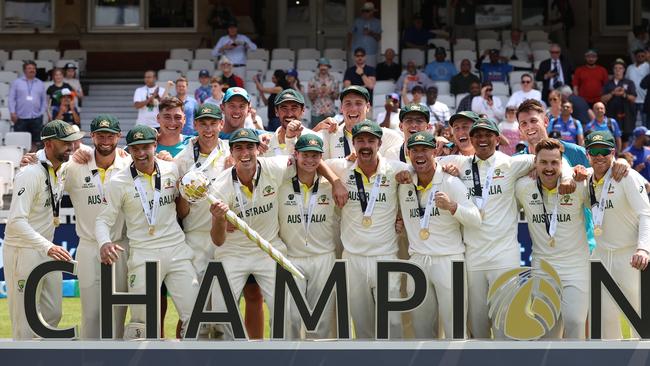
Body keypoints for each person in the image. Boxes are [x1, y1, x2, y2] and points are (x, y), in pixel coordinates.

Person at [96, 124, 199, 339]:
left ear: (155, 145)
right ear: (130, 150)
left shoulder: (172, 169)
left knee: (195, 317)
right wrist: (104, 242)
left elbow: (182, 207)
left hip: (177, 250)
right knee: (140, 326)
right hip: (144, 253)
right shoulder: (118, 182)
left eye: (146, 147)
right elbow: (103, 219)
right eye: (135, 149)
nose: (141, 153)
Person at [439, 118, 539, 339]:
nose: (482, 139)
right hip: (473, 256)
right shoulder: (460, 163)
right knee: (477, 325)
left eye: (487, 135)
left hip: (504, 255)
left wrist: (570, 171)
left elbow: (551, 156)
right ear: (472, 139)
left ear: (497, 139)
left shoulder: (511, 163)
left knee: (507, 324)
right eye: (478, 135)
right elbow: (421, 160)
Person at [207, 129, 294, 339]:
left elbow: (307, 158)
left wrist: (336, 181)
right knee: (220, 313)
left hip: (269, 250)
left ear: (258, 149)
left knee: (288, 313)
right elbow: (218, 241)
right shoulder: (220, 185)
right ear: (232, 153)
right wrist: (219, 219)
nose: (245, 152)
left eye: (249, 147)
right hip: (233, 253)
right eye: (239, 148)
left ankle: (281, 357)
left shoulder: (275, 166)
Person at [325, 121, 408, 339]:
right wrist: (335, 182)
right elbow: (314, 163)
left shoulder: (395, 169)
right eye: (360, 140)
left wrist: (449, 164)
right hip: (353, 259)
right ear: (353, 144)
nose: (365, 145)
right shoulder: (342, 168)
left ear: (379, 144)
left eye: (371, 140)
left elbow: (426, 167)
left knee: (392, 324)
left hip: (386, 257)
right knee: (362, 327)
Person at [399, 131, 480, 339]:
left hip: (449, 261)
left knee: (456, 329)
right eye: (414, 150)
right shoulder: (404, 181)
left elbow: (475, 218)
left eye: (424, 149)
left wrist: (453, 207)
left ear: (434, 151)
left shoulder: (450, 182)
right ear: (408, 153)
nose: (420, 155)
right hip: (417, 261)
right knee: (421, 330)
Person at [4, 120, 81, 339]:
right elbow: (16, 221)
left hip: (47, 248)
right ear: (48, 144)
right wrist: (47, 247)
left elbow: (101, 153)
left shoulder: (63, 166)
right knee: (25, 324)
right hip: (24, 249)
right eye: (65, 142)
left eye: (71, 142)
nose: (71, 147)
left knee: (53, 314)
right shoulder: (30, 174)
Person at [63, 114, 130, 339]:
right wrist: (32, 158)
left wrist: (162, 155)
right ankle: (89, 359)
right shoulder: (75, 165)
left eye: (110, 135)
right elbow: (48, 164)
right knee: (91, 313)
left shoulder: (129, 164)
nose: (105, 140)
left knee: (118, 312)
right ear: (92, 136)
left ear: (118, 136)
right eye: (100, 135)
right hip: (89, 245)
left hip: (119, 245)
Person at [515, 138, 590, 339]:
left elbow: (603, 174)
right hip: (543, 268)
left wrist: (622, 163)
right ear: (535, 164)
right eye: (544, 163)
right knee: (546, 331)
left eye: (554, 163)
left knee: (575, 323)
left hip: (575, 268)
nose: (549, 168)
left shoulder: (578, 184)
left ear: (562, 163)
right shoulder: (523, 186)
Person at [586, 130, 650, 339]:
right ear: (587, 153)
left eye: (604, 151)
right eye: (594, 151)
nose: (599, 156)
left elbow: (645, 213)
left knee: (641, 321)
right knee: (605, 321)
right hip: (601, 256)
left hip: (630, 256)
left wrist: (643, 248)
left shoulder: (626, 175)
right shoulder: (585, 178)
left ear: (613, 152)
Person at [278, 134, 339, 339]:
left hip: (323, 256)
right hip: (291, 257)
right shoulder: (281, 182)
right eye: (305, 155)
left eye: (315, 155)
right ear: (296, 154)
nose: (310, 160)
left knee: (320, 322)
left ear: (321, 157)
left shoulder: (330, 184)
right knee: (290, 320)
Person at [314, 86, 403, 159]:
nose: (353, 109)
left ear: (367, 107)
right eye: (348, 103)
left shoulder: (386, 136)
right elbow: (305, 150)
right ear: (341, 107)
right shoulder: (330, 134)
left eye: (358, 103)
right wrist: (316, 130)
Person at [8, 60, 47, 151]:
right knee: (20, 142)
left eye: (33, 68)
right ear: (24, 70)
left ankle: (36, 162)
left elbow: (44, 100)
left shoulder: (40, 83)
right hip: (20, 117)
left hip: (36, 117)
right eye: (29, 68)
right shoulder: (16, 83)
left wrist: (41, 113)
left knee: (37, 142)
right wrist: (12, 112)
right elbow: (11, 99)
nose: (32, 70)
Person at [263, 89, 311, 157]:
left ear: (303, 110)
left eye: (294, 108)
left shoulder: (314, 138)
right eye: (284, 108)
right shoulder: (265, 144)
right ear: (276, 111)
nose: (289, 114)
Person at [602, 59, 638, 139]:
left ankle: (623, 152)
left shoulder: (629, 83)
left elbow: (634, 98)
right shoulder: (608, 83)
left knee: (625, 137)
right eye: (616, 68)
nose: (618, 70)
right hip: (611, 115)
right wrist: (612, 93)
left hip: (626, 115)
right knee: (611, 137)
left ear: (624, 70)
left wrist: (624, 94)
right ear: (613, 70)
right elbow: (603, 99)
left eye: (620, 68)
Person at [347, 2, 382, 66]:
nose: (364, 13)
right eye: (363, 11)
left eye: (367, 11)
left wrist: (371, 33)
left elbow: (379, 38)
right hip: (356, 51)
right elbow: (350, 33)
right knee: (355, 72)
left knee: (370, 71)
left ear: (372, 12)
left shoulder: (377, 22)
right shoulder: (357, 21)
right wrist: (350, 47)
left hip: (371, 51)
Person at [307, 58, 339, 126]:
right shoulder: (313, 80)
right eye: (321, 65)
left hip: (330, 111)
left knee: (331, 134)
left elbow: (336, 97)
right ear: (319, 67)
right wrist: (318, 91)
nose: (323, 67)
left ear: (328, 67)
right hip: (316, 111)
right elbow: (310, 97)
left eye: (325, 65)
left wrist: (330, 92)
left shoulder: (334, 80)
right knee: (316, 134)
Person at [626, 48, 649, 125]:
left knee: (645, 123)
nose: (640, 57)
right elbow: (626, 81)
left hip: (644, 100)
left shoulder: (648, 67)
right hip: (632, 99)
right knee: (631, 121)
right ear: (635, 57)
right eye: (638, 56)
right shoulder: (630, 67)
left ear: (645, 57)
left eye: (642, 56)